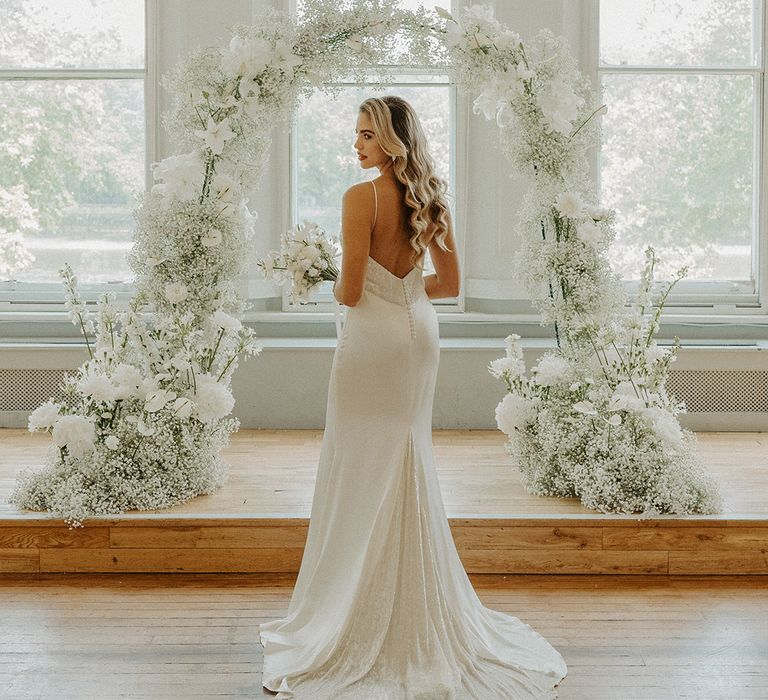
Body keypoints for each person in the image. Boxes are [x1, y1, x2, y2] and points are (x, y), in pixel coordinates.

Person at [259, 95, 567, 699]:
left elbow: (348, 294)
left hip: (374, 341)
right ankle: (410, 602)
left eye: (368, 135)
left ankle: (355, 609)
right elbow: (447, 285)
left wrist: (332, 278)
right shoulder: (432, 196)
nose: (358, 145)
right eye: (357, 135)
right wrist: (400, 286)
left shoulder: (360, 197)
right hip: (419, 332)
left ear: (393, 139)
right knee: (406, 457)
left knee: (361, 463)